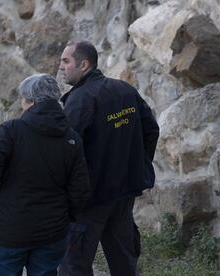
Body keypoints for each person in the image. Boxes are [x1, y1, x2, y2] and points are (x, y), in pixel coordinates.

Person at [58, 41, 160, 276]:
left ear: (83, 65)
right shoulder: (124, 89)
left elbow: (67, 150)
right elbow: (151, 130)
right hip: (123, 192)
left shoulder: (80, 100)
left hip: (91, 199)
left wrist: (70, 190)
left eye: (66, 61)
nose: (61, 66)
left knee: (74, 265)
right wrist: (138, 166)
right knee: (124, 261)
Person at [0, 73, 91, 276]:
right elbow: (80, 190)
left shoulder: (12, 130)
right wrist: (65, 216)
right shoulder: (71, 138)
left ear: (29, 101)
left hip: (11, 229)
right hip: (52, 231)